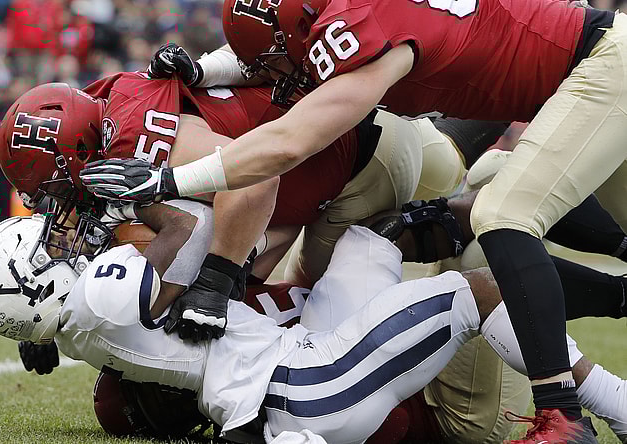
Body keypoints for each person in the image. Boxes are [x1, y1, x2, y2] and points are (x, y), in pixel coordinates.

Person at [78, 0, 627, 439]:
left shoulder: (358, 28)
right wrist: (202, 71)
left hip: (590, 66)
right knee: (484, 196)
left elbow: (287, 143)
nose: (267, 77)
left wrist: (171, 182)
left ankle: (567, 414)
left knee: (498, 220)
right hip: (563, 76)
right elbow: (273, 53)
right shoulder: (333, 23)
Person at [0, 198, 625, 443]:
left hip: (293, 370)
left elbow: (68, 316)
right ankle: (603, 409)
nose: (65, 242)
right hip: (311, 383)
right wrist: (135, 200)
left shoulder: (75, 320)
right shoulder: (95, 298)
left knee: (372, 238)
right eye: (47, 252)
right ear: (38, 285)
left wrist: (36, 332)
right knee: (480, 291)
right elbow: (190, 226)